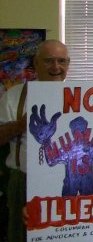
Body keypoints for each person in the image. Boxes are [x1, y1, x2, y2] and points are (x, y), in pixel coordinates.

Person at [0, 40, 70, 242]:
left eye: (61, 61)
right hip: (24, 180)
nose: (56, 67)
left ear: (68, 64)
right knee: (21, 235)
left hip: (66, 180)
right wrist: (20, 125)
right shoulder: (14, 96)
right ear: (36, 63)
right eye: (48, 60)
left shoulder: (80, 95)